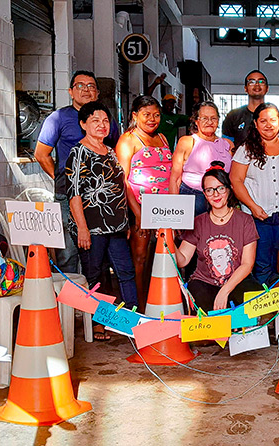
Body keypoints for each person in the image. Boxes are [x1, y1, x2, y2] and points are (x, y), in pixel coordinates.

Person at [63, 101, 138, 341]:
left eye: (105, 120)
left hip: (116, 226)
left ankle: (132, 320)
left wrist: (125, 220)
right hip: (92, 228)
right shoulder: (78, 153)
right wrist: (82, 229)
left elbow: (119, 187)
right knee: (95, 275)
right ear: (83, 124)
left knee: (125, 271)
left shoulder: (111, 151)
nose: (101, 125)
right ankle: (98, 323)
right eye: (95, 120)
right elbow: (73, 193)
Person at [34, 70, 120, 273]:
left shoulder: (106, 119)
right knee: (69, 252)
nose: (86, 90)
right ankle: (70, 301)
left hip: (101, 198)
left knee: (98, 255)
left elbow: (117, 151)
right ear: (71, 92)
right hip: (67, 195)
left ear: (97, 93)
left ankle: (94, 301)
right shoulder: (58, 118)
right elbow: (41, 154)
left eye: (91, 86)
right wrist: (65, 179)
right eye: (80, 86)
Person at [230, 103, 279, 285]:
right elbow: (236, 181)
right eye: (263, 120)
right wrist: (253, 206)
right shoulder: (245, 150)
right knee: (262, 265)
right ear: (256, 124)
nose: (268, 124)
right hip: (257, 218)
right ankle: (267, 309)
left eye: (273, 120)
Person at [177, 162, 261, 313]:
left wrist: (225, 290)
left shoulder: (245, 220)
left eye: (220, 188)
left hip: (238, 280)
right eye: (209, 190)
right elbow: (182, 260)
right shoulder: (199, 222)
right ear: (204, 194)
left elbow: (247, 264)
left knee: (257, 305)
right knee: (211, 316)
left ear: (228, 190)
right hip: (204, 282)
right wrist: (166, 240)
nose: (215, 194)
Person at [115, 95, 173, 304]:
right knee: (139, 257)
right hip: (138, 206)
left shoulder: (163, 138)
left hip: (165, 208)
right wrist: (139, 214)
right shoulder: (128, 139)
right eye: (146, 114)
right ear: (134, 115)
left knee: (161, 255)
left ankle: (158, 298)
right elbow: (123, 180)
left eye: (156, 115)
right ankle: (138, 303)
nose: (152, 119)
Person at [170, 101, 235, 216]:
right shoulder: (187, 142)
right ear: (196, 121)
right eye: (204, 118)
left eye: (213, 118)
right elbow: (175, 179)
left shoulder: (228, 144)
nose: (209, 122)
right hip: (194, 198)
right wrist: (175, 211)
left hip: (221, 200)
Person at [222, 70, 279, 144]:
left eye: (261, 82)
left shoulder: (276, 116)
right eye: (252, 82)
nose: (257, 85)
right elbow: (226, 146)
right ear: (245, 88)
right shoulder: (233, 116)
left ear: (267, 88)